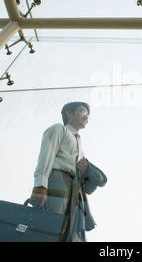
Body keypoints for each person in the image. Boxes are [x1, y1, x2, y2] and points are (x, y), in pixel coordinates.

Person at [30, 101, 107, 242]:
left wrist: (85, 171)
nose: (87, 116)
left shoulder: (81, 147)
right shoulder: (59, 129)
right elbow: (46, 155)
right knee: (52, 226)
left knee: (72, 232)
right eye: (83, 111)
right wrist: (40, 185)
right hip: (58, 180)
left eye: (88, 114)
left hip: (75, 189)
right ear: (69, 113)